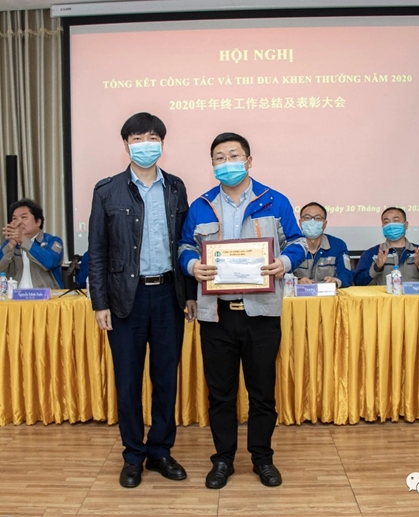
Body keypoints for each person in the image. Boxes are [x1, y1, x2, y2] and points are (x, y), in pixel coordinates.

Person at [178, 132, 306, 489]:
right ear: (212, 165)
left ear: (249, 161)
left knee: (262, 393)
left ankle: (262, 459)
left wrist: (284, 262)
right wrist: (192, 266)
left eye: (234, 156)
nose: (227, 163)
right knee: (220, 394)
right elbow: (185, 246)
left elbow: (297, 242)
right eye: (219, 158)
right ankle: (223, 460)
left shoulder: (274, 200)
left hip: (261, 314)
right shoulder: (201, 205)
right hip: (216, 314)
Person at [88, 112, 196, 489]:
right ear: (126, 144)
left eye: (152, 137)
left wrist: (190, 294)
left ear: (162, 143)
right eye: (137, 138)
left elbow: (186, 244)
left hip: (168, 294)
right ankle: (133, 454)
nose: (145, 144)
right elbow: (97, 251)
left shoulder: (176, 187)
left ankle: (160, 451)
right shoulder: (107, 190)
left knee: (166, 379)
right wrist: (99, 303)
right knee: (128, 381)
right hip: (124, 299)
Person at [354, 206, 419, 286]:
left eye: (396, 221)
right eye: (386, 222)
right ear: (383, 226)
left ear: (406, 225)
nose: (391, 225)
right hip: (384, 299)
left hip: (415, 299)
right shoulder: (372, 254)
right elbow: (358, 282)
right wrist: (376, 267)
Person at [0, 198, 64, 289]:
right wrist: (11, 245)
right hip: (16, 295)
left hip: (46, 296)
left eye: (24, 217)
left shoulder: (53, 241)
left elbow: (50, 263)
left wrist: (24, 240)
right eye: (14, 218)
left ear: (38, 222)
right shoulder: (10, 243)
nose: (18, 222)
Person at [293, 202, 353, 287]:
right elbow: (282, 275)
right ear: (300, 222)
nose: (312, 222)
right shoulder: (290, 246)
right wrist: (297, 281)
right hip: (298, 294)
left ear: (324, 224)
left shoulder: (338, 245)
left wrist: (335, 281)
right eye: (307, 218)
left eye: (318, 218)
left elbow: (347, 275)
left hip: (328, 294)